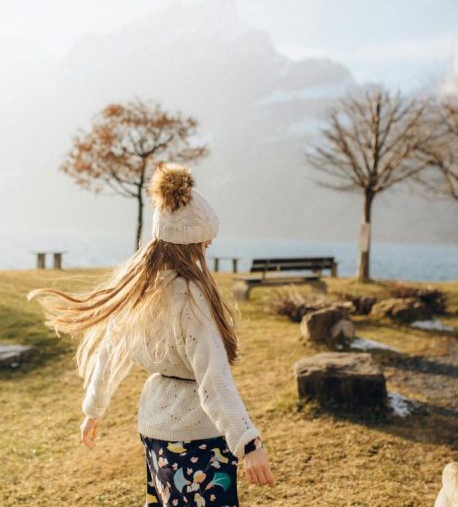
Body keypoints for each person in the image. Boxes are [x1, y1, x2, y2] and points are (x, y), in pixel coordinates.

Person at [27, 162, 275, 506]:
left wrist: (93, 409)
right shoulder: (192, 299)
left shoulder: (140, 293)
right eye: (205, 245)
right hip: (197, 439)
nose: (206, 251)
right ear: (193, 245)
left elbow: (109, 355)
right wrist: (248, 444)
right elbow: (213, 381)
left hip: (156, 433)